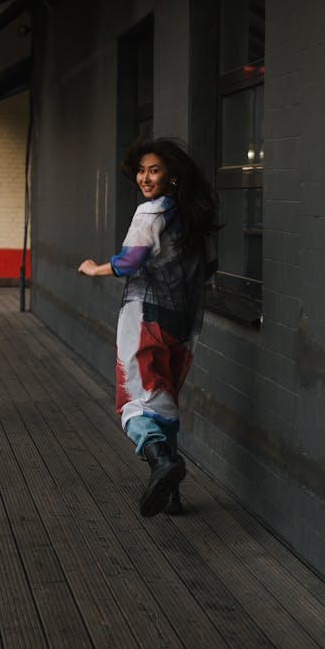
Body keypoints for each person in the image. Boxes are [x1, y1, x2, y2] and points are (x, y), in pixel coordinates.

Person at [78, 138, 217, 517]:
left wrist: (95, 269)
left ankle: (161, 463)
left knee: (135, 403)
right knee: (165, 402)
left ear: (172, 176)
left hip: (146, 316)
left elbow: (131, 260)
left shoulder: (150, 213)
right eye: (141, 170)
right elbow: (209, 268)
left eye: (153, 170)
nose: (144, 177)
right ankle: (171, 493)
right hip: (182, 325)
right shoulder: (190, 217)